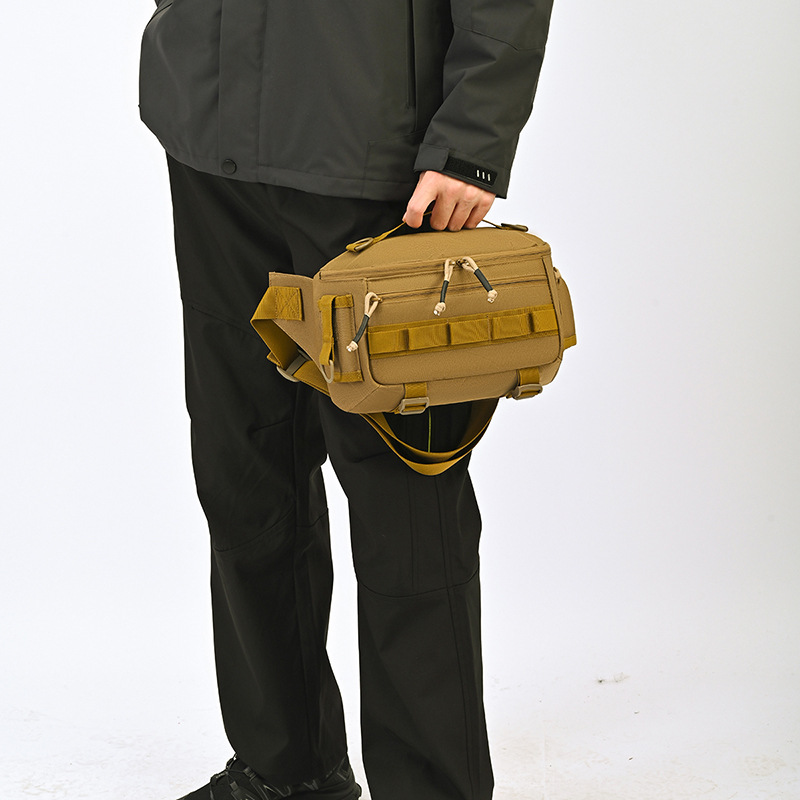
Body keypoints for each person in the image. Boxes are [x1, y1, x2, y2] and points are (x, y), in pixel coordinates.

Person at [137, 3, 555, 800]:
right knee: (245, 467)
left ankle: (431, 789)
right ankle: (287, 771)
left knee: (404, 495)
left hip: (373, 155)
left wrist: (471, 140)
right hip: (211, 143)